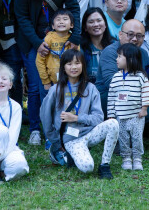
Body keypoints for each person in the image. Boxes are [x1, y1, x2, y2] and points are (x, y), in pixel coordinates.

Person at [14, 0, 81, 146]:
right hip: (33, 43)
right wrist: (36, 43)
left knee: (61, 86)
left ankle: (59, 127)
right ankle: (36, 127)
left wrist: (74, 37)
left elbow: (74, 8)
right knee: (36, 87)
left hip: (60, 42)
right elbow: (21, 16)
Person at [41, 49, 119, 178]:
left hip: (89, 133)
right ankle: (61, 155)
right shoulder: (55, 90)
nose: (73, 67)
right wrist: (56, 142)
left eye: (77, 63)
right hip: (70, 139)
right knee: (87, 167)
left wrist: (76, 117)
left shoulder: (91, 88)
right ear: (63, 67)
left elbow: (98, 118)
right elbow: (46, 118)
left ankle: (105, 165)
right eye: (69, 64)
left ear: (83, 65)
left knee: (113, 123)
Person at [107, 43, 149, 171]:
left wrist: (144, 109)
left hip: (136, 115)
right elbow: (111, 96)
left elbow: (146, 93)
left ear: (131, 59)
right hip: (120, 116)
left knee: (137, 138)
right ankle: (126, 158)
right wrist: (110, 113)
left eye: (120, 56)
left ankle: (137, 158)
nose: (117, 59)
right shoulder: (116, 77)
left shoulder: (140, 77)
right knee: (123, 138)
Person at [36, 10, 77, 90]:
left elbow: (79, 60)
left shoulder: (73, 40)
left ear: (72, 25)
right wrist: (46, 81)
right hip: (52, 82)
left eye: (65, 19)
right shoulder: (48, 39)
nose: (61, 22)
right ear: (53, 26)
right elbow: (40, 61)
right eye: (58, 20)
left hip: (71, 81)